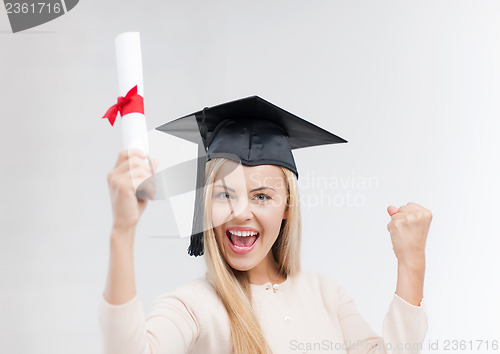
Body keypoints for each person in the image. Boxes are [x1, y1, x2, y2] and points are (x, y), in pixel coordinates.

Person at [99, 96, 431, 354]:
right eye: (224, 195)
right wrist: (122, 231)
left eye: (261, 196)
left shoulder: (325, 295)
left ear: (288, 206)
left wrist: (411, 262)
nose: (240, 213)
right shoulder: (193, 306)